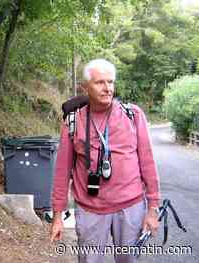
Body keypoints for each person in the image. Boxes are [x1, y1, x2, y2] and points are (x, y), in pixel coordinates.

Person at [50, 59, 160, 263]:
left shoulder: (133, 115)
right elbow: (62, 171)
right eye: (100, 82)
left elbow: (148, 164)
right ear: (85, 87)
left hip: (131, 207)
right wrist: (57, 215)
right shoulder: (74, 121)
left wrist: (153, 208)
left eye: (110, 82)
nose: (107, 88)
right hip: (89, 209)